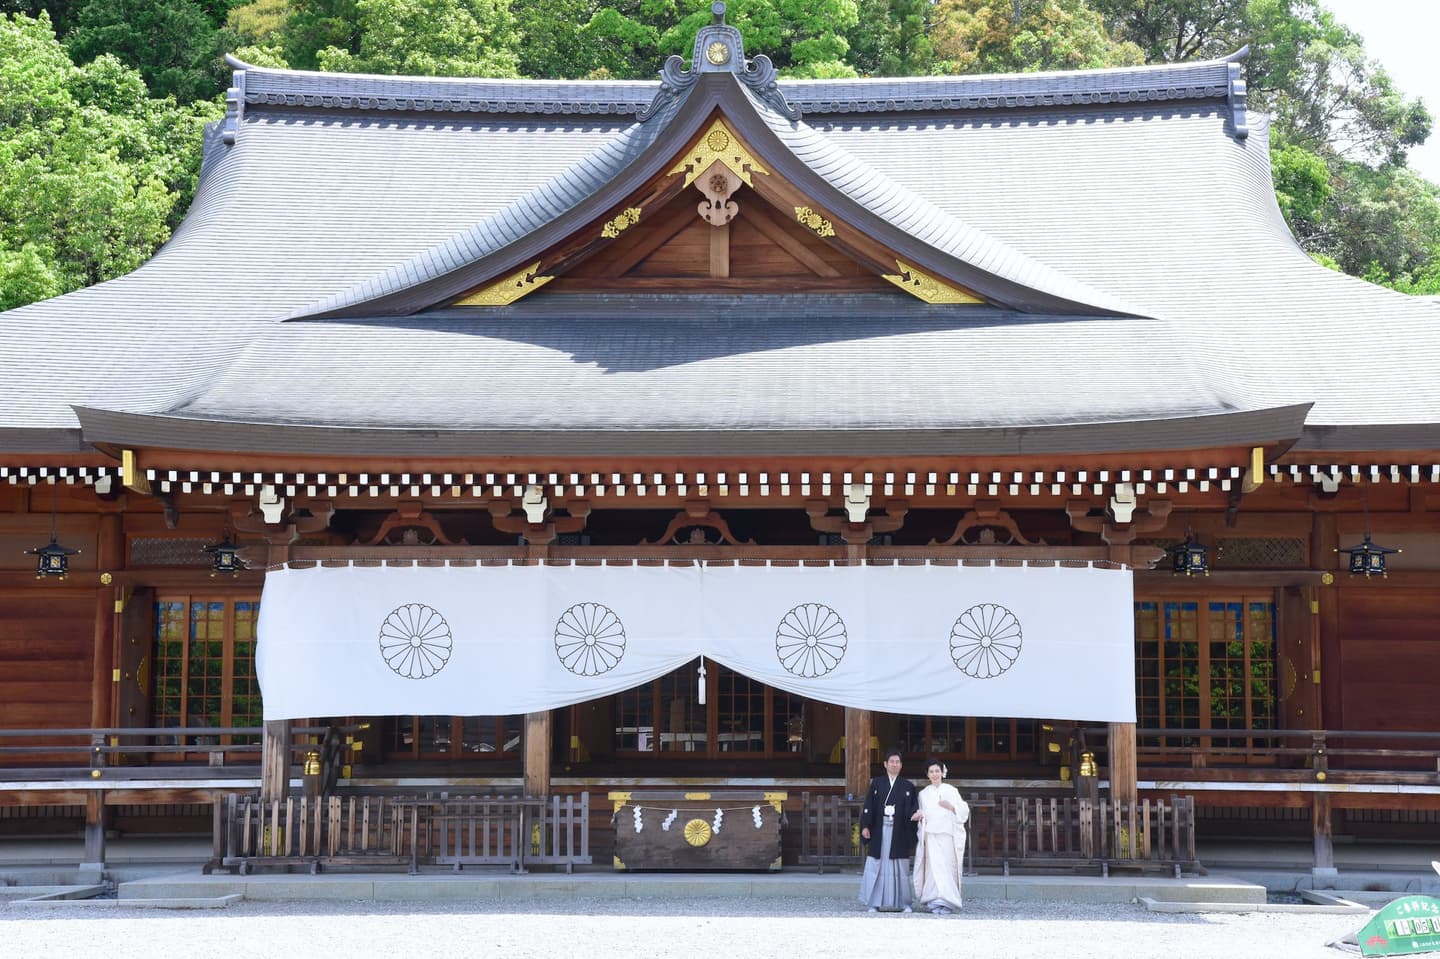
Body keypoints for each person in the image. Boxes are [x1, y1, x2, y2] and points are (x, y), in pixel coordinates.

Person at [858, 749, 920, 913]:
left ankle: (904, 903)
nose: (894, 765)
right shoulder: (877, 783)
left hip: (899, 830)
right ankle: (874, 903)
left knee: (900, 867)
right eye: (891, 762)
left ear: (901, 765)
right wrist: (865, 826)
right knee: (876, 865)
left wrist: (916, 814)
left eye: (897, 762)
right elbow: (869, 806)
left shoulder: (908, 786)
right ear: (885, 764)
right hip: (880, 829)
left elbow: (914, 807)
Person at [911, 758, 970, 915]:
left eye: (937, 771)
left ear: (942, 772)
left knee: (946, 868)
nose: (934, 774)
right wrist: (920, 815)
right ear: (927, 775)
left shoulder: (951, 790)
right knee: (933, 869)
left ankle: (947, 901)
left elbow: (964, 811)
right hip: (931, 835)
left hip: (947, 835)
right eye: (931, 772)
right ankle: (934, 900)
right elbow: (923, 812)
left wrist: (951, 807)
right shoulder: (923, 794)